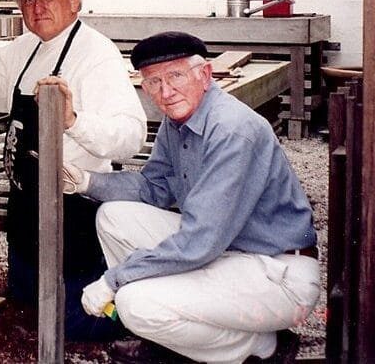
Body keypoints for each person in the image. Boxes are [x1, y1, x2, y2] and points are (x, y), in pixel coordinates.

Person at [76, 31, 320, 364]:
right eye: (153, 82)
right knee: (113, 216)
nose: (165, 91)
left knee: (134, 303)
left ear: (204, 75)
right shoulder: (176, 121)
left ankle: (262, 347)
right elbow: (154, 189)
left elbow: (200, 241)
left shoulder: (233, 129)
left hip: (277, 273)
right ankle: (180, 333)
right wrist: (86, 181)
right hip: (230, 253)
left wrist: (114, 280)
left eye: (175, 76)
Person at [0, 0, 147, 341]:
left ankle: (149, 321)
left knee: (79, 321)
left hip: (72, 206)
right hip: (24, 200)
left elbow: (131, 137)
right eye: (27, 1)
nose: (37, 8)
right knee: (25, 301)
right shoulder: (18, 51)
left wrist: (73, 121)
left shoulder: (97, 54)